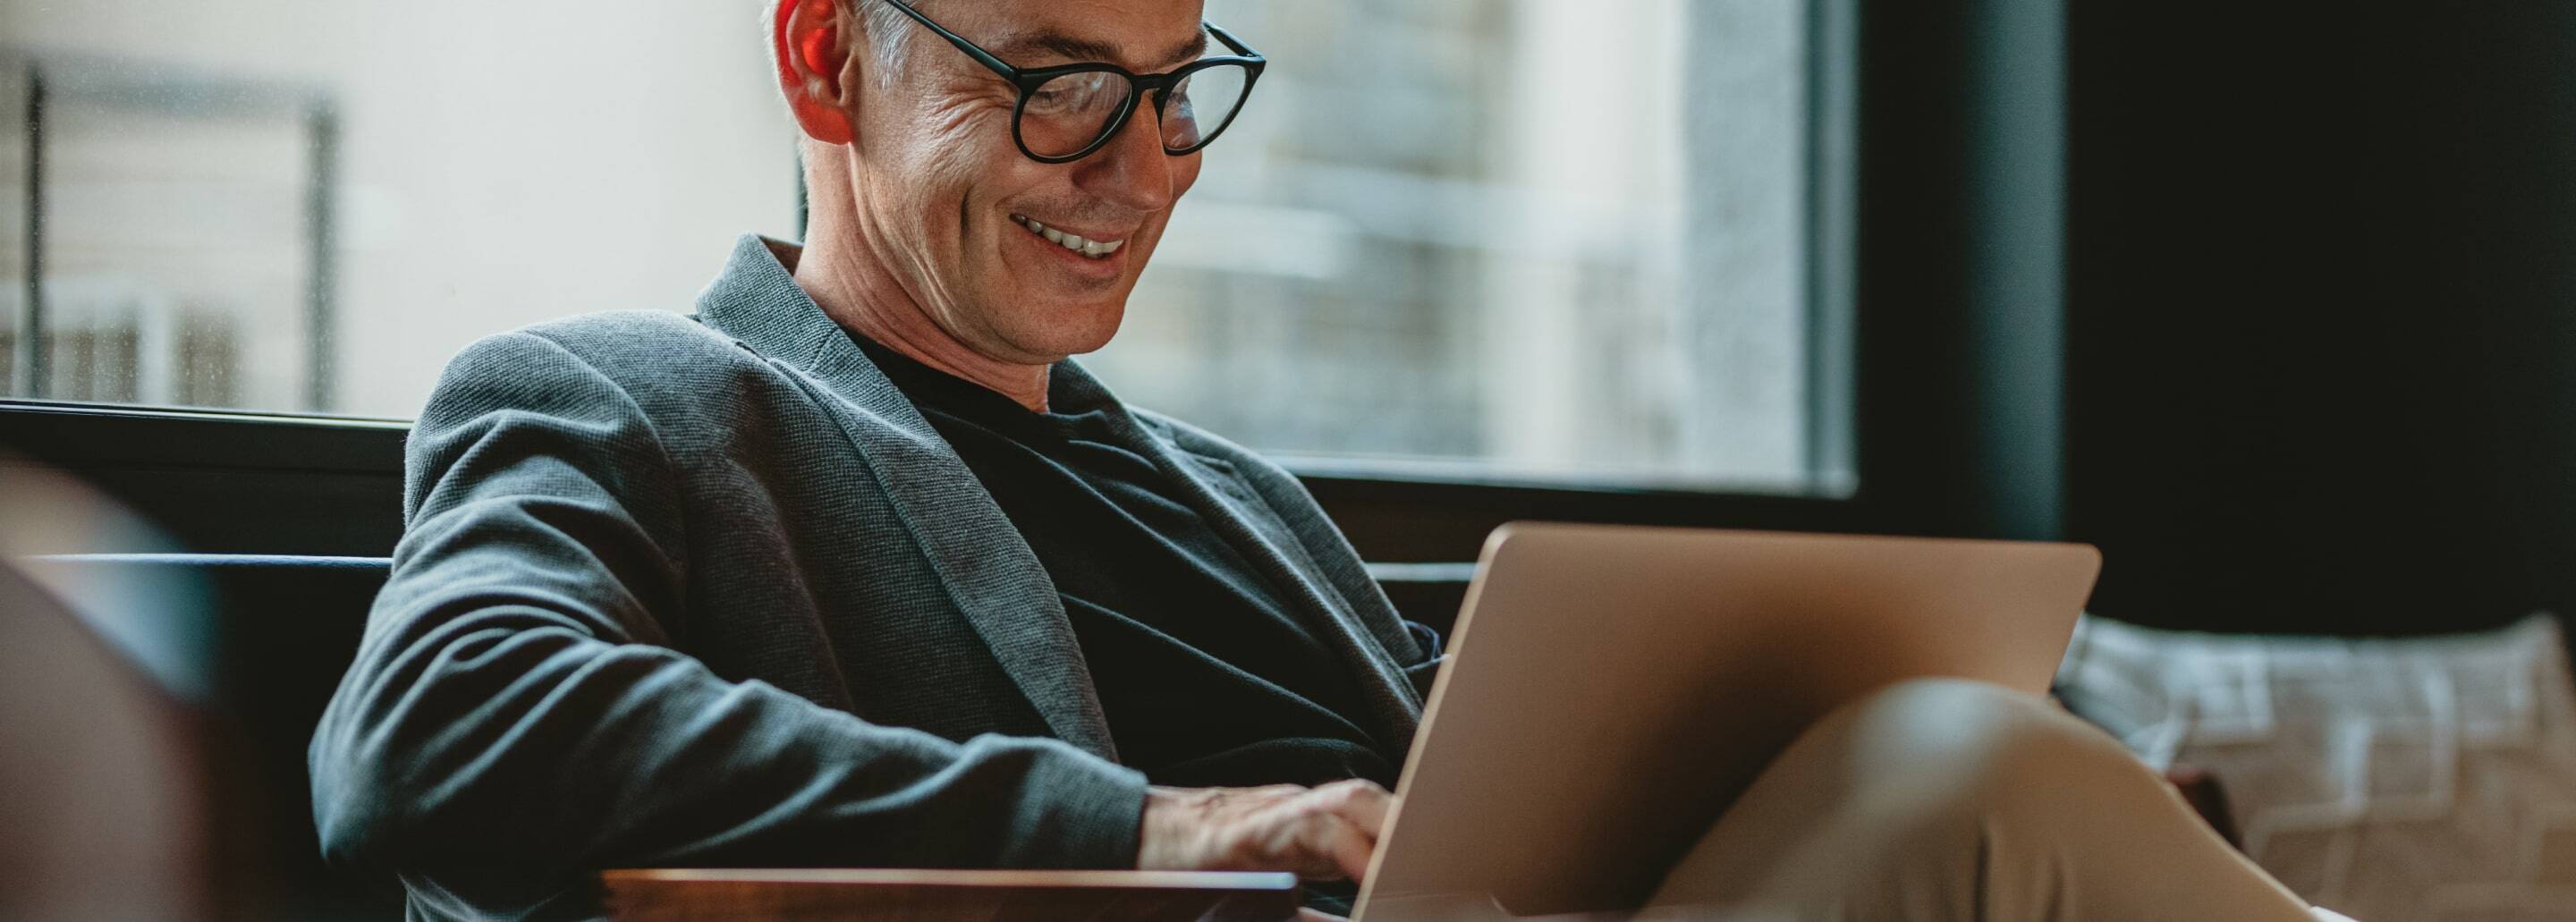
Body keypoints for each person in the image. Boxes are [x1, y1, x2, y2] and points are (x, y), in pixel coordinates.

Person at [307, 1, 2337, 918]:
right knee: (1959, 781)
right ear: (827, 55)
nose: (1145, 169)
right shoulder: (622, 399)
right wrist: (1153, 831)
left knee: (1965, 761)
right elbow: (434, 732)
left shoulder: (1241, 504)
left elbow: (1498, 793)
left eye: (1182, 86)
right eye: (1060, 88)